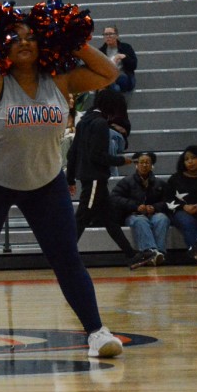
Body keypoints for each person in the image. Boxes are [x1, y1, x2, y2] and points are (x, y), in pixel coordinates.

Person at [0, 4, 127, 362]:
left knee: (67, 258)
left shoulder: (60, 79)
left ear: (43, 42)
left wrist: (72, 41)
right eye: (14, 37)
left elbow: (109, 73)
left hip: (45, 182)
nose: (24, 42)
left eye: (32, 36)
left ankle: (97, 333)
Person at [67, 88, 139, 266]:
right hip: (95, 178)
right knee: (82, 218)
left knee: (109, 220)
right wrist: (122, 160)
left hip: (91, 178)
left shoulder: (84, 121)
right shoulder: (100, 124)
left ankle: (131, 255)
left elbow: (72, 152)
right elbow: (97, 156)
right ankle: (64, 256)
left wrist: (70, 178)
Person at [111, 151, 170, 268]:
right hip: (133, 214)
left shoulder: (160, 183)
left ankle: (159, 253)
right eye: (141, 162)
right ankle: (149, 252)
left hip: (154, 213)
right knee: (140, 220)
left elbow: (168, 201)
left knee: (162, 218)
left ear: (152, 165)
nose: (144, 165)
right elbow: (114, 197)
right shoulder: (126, 181)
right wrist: (135, 206)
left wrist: (154, 207)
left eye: (147, 162)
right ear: (136, 164)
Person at [99, 25, 137, 93]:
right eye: (105, 34)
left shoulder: (126, 47)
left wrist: (124, 57)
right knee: (115, 88)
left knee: (121, 80)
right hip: (108, 77)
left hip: (123, 76)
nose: (108, 36)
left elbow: (133, 66)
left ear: (117, 36)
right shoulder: (101, 51)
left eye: (110, 34)